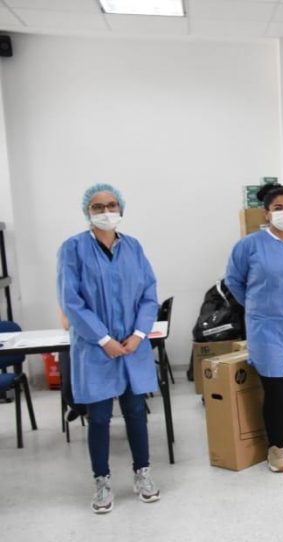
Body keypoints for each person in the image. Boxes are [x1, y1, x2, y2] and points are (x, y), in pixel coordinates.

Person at [57, 183, 160, 514]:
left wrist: (139, 334)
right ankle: (101, 481)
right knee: (99, 418)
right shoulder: (73, 249)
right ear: (87, 211)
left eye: (111, 205)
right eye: (98, 207)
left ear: (121, 209)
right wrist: (104, 339)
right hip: (95, 348)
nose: (106, 211)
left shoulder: (133, 247)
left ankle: (143, 473)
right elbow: (71, 301)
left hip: (132, 346)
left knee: (135, 412)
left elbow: (149, 294)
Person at [225, 184, 283, 473]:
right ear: (266, 214)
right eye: (278, 208)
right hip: (266, 328)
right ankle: (275, 447)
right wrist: (257, 305)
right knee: (277, 391)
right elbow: (234, 280)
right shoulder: (249, 246)